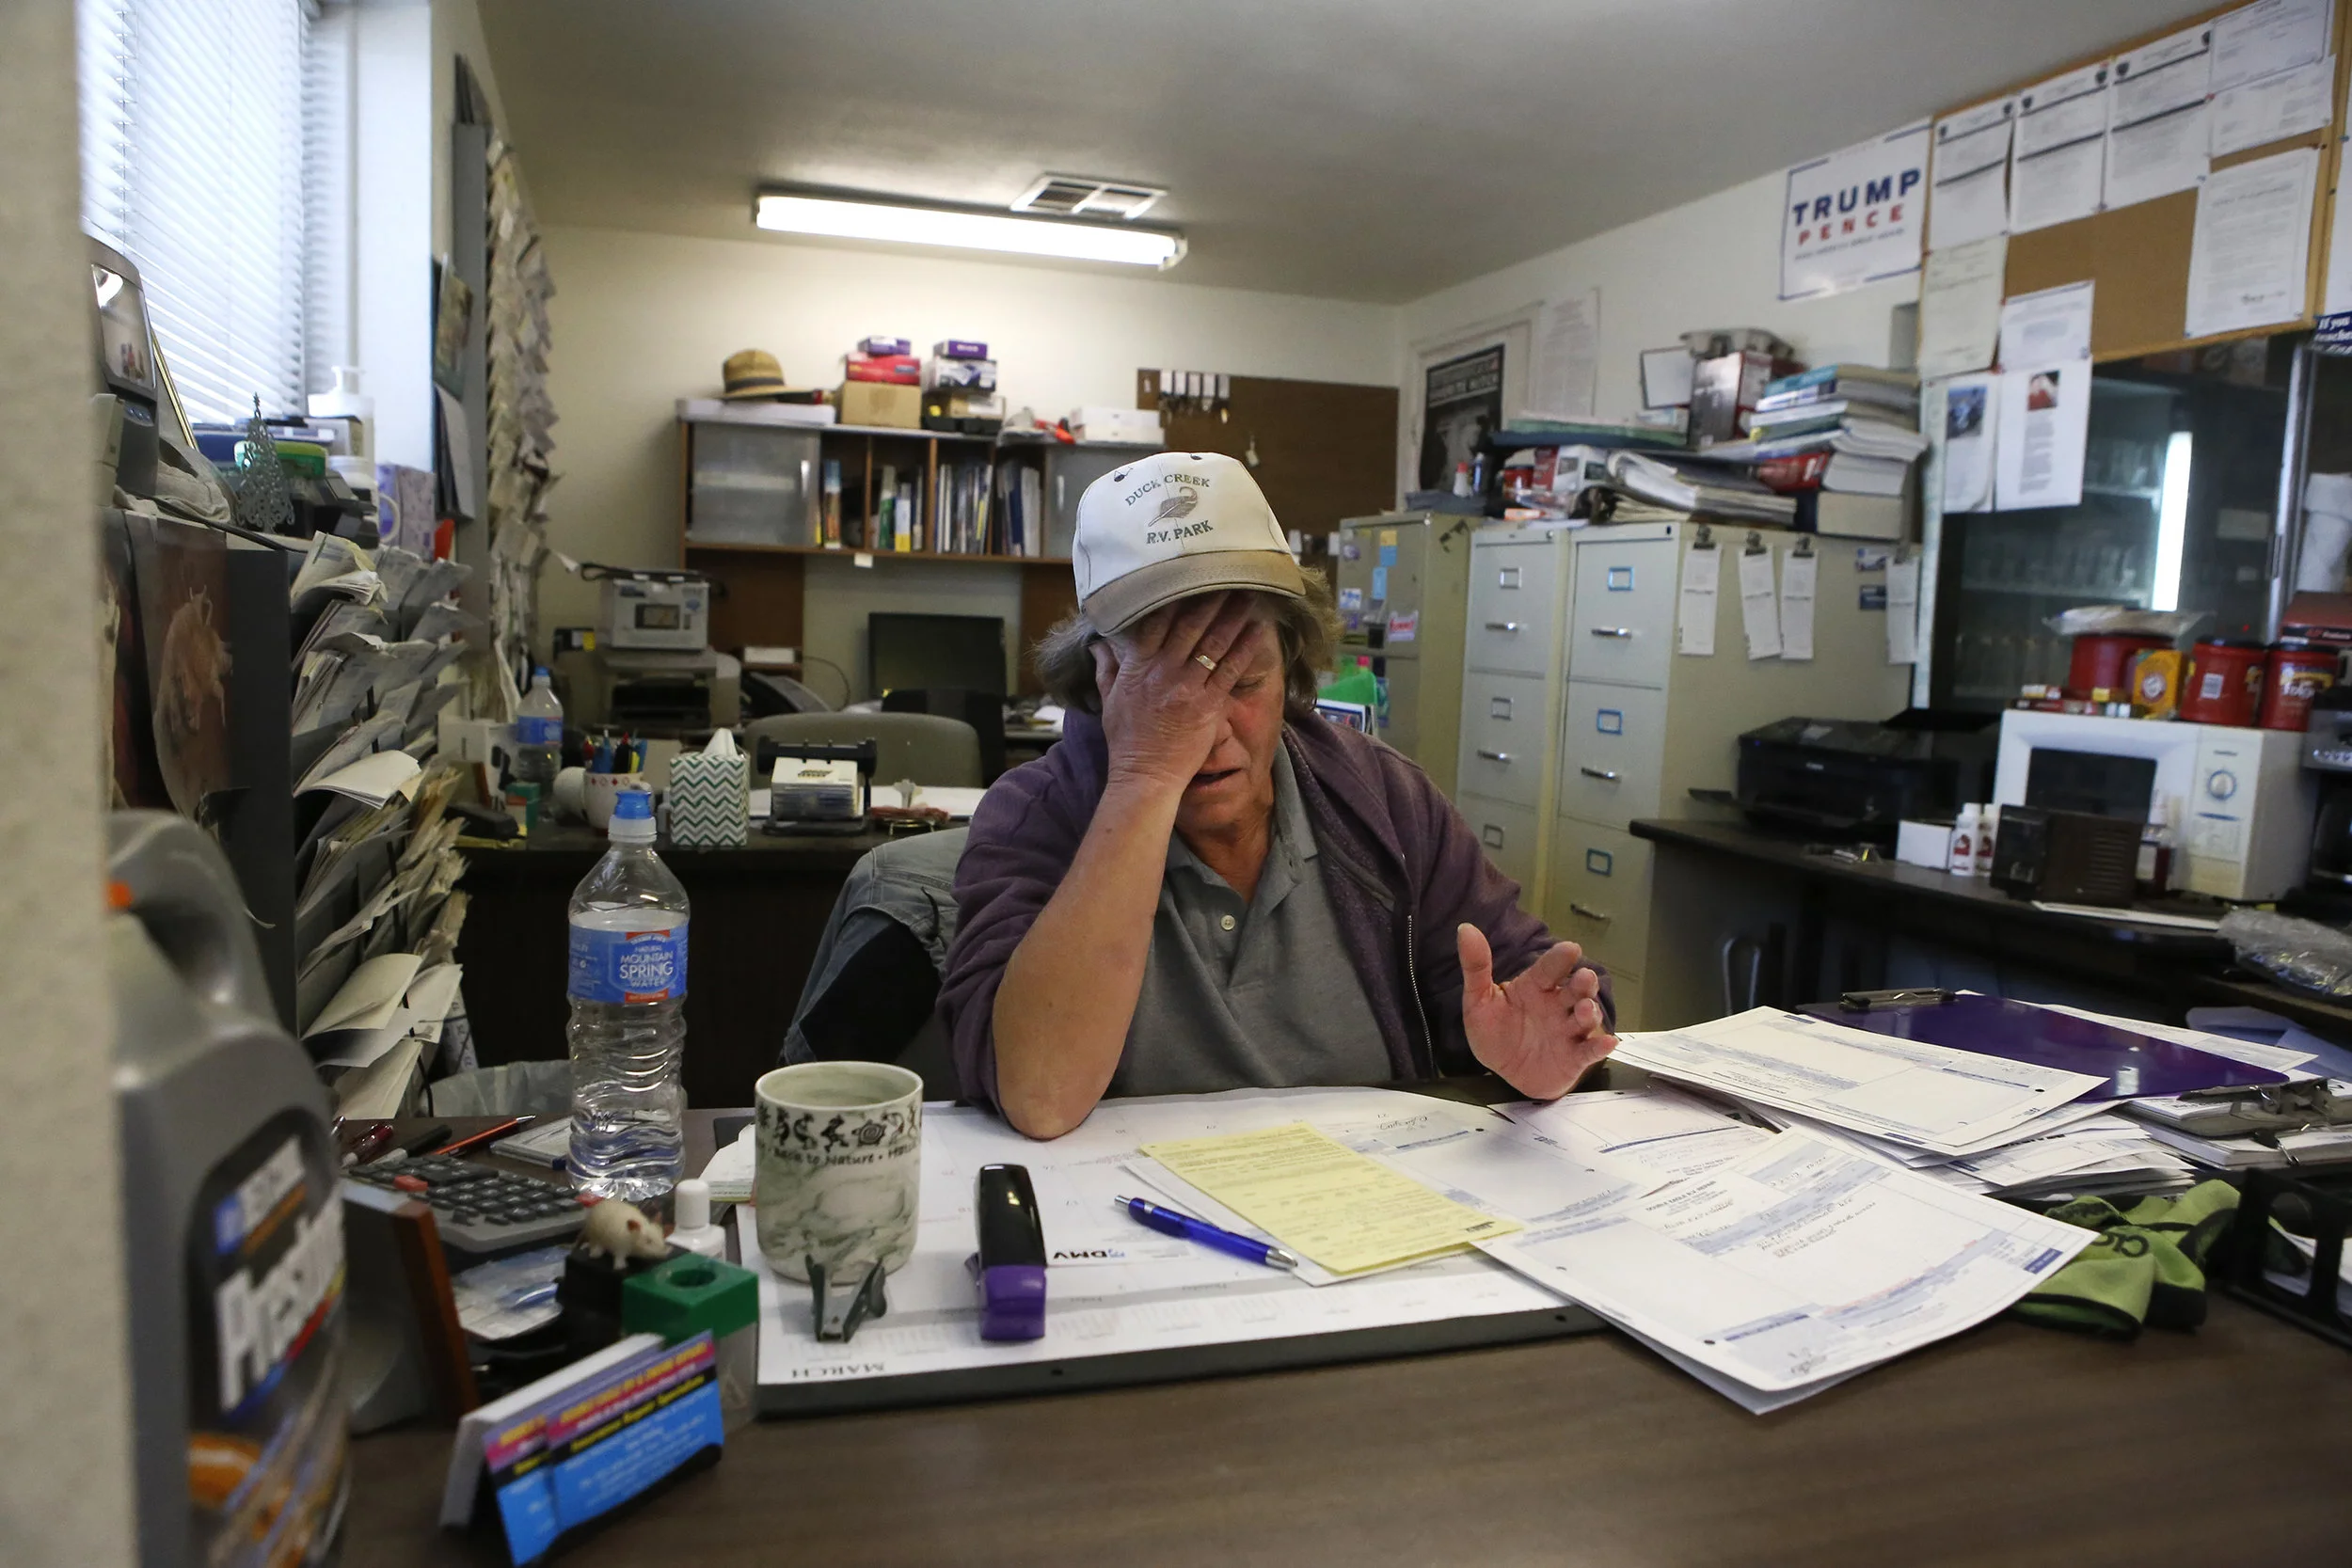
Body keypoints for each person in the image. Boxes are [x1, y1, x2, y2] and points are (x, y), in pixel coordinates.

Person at [939, 451, 1614, 1138]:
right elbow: (1039, 1094)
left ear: (1289, 667)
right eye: (1167, 696)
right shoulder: (1034, 815)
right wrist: (1145, 775)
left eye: (1241, 683)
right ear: (1101, 679)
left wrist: (1535, 1057)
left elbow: (1532, 989)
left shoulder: (1382, 797)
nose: (1208, 731)